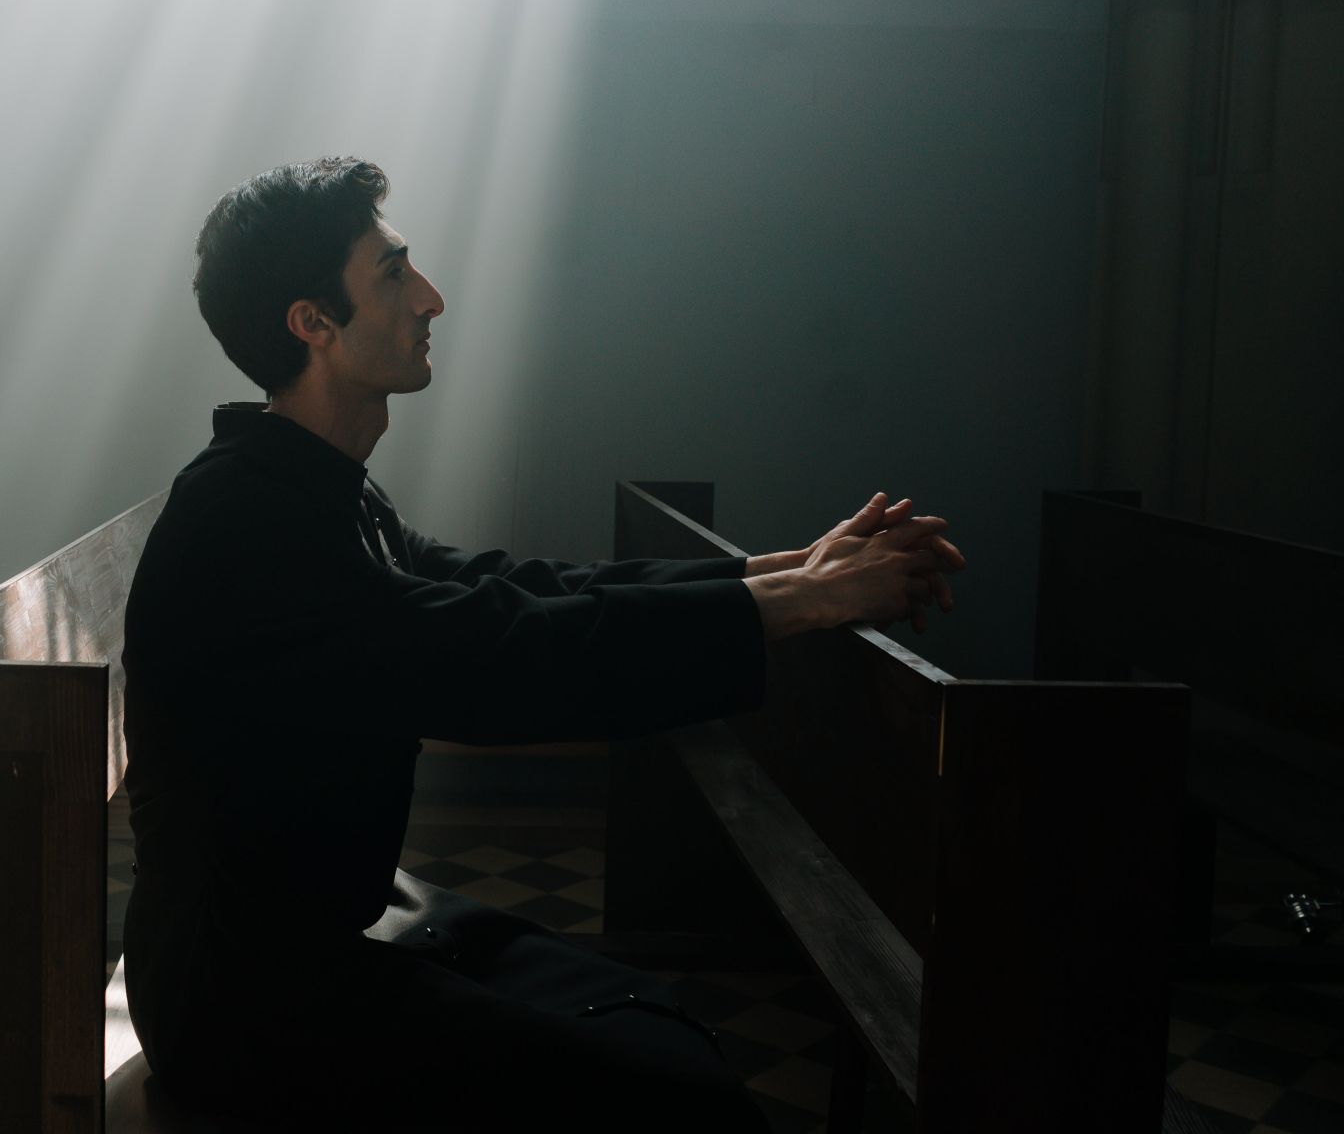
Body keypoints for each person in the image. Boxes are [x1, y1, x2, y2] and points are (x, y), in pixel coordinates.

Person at [120, 157, 963, 1130]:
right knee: (678, 1099)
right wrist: (793, 606)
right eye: (393, 275)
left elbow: (508, 588)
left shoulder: (309, 489)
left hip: (296, 947)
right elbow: (495, 655)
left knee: (669, 1048)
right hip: (242, 999)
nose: (431, 297)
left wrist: (781, 574)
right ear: (312, 322)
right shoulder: (249, 519)